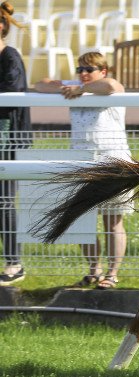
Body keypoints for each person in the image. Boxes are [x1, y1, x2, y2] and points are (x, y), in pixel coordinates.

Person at [34, 52, 133, 290]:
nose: (83, 74)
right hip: (82, 162)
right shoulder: (75, 86)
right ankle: (94, 270)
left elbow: (111, 86)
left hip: (112, 161)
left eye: (89, 69)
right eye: (80, 70)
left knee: (112, 221)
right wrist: (67, 87)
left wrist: (80, 89)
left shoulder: (109, 87)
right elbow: (39, 84)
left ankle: (112, 274)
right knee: (82, 220)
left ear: (103, 70)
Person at [0, 1, 30, 286]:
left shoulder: (10, 56)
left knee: (4, 201)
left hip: (8, 140)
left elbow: (12, 93)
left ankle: (14, 263)